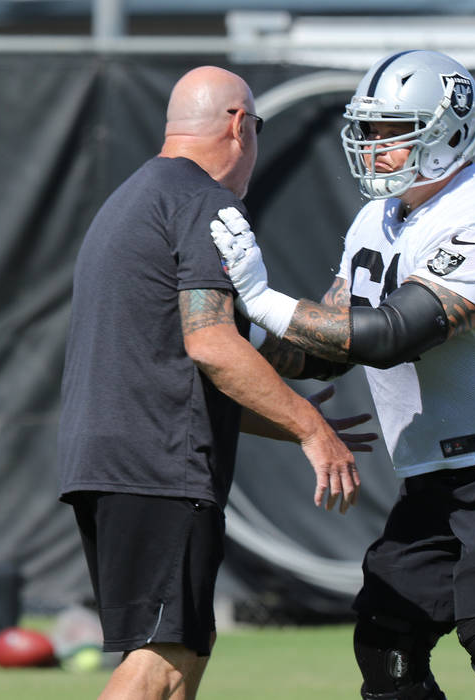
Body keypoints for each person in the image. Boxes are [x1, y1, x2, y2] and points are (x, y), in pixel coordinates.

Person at [211, 50, 475, 700]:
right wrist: (234, 331)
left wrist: (261, 298)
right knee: (385, 638)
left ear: (447, 128)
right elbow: (330, 346)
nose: (374, 147)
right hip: (440, 473)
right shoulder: (377, 217)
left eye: (391, 131)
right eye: (367, 131)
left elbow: (396, 334)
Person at [56, 65, 374, 700]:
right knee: (163, 665)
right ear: (238, 125)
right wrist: (312, 431)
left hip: (115, 462)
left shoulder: (136, 196)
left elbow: (166, 362)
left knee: (179, 657)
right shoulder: (203, 201)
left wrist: (285, 419)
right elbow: (210, 344)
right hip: (158, 468)